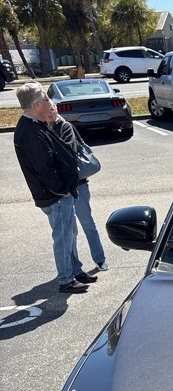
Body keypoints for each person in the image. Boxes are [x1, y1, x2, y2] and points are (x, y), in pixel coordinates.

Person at [13, 82, 95, 294]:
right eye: (46, 99)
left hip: (60, 194)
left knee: (70, 234)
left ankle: (75, 270)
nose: (50, 102)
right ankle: (66, 280)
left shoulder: (36, 125)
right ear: (36, 104)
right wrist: (62, 191)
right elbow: (44, 168)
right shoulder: (30, 130)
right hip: (55, 196)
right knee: (63, 238)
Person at [42, 103, 109, 275]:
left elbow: (68, 151)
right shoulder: (41, 129)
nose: (50, 113)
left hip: (78, 186)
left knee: (88, 224)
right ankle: (74, 267)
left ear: (56, 110)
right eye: (47, 110)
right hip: (60, 189)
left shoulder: (65, 127)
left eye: (52, 109)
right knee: (70, 231)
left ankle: (100, 259)